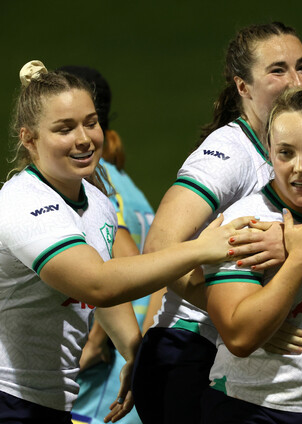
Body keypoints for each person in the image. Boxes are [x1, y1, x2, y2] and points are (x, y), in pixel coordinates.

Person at [0, 60, 254, 424]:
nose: (84, 138)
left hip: (48, 401)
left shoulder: (97, 202)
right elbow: (97, 284)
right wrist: (200, 247)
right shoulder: (23, 202)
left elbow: (102, 281)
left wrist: (134, 351)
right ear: (29, 139)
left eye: (91, 123)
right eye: (64, 129)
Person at [130, 21, 302, 424]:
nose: (297, 81)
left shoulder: (284, 149)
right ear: (243, 87)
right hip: (186, 354)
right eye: (278, 70)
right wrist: (246, 320)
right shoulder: (229, 154)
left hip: (215, 356)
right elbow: (160, 245)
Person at [200, 75, 302, 424]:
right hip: (251, 408)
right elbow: (240, 336)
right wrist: (300, 258)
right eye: (286, 153)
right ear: (269, 151)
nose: (299, 168)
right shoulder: (247, 222)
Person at [56, 65, 154, 424]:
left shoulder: (93, 183)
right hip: (139, 354)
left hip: (109, 377)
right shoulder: (127, 184)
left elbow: (113, 261)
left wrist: (96, 342)